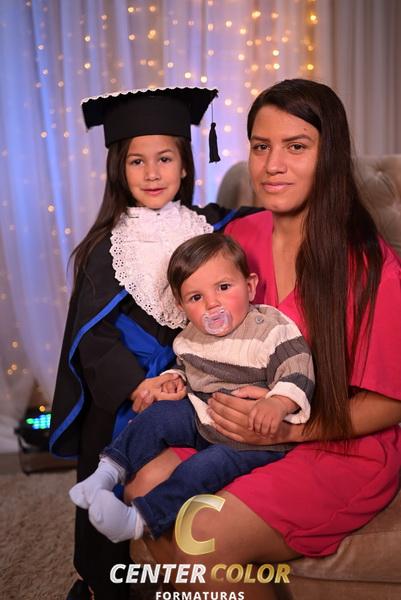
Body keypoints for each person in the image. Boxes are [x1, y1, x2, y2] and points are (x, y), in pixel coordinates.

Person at [125, 79, 401, 599]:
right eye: (260, 146)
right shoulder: (237, 242)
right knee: (142, 486)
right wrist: (173, 382)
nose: (273, 165)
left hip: (336, 445)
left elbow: (391, 403)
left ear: (330, 155)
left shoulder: (372, 268)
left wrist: (289, 430)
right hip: (233, 435)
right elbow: (206, 342)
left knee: (199, 540)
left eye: (296, 146)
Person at [48, 86, 253, 600]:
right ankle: (104, 584)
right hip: (130, 389)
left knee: (193, 487)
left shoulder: (212, 226)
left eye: (165, 158)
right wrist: (137, 385)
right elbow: (94, 339)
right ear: (120, 169)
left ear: (185, 163)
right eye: (137, 161)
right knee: (111, 485)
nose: (153, 173)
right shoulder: (105, 247)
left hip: (196, 379)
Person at [68, 232, 314, 543]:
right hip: (202, 415)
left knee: (202, 468)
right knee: (157, 416)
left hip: (249, 440)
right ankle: (106, 473)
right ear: (182, 305)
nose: (212, 304)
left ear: (250, 286)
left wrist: (277, 403)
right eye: (196, 298)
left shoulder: (270, 328)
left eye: (224, 288)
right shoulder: (191, 337)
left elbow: (298, 369)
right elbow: (189, 368)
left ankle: (140, 520)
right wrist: (176, 378)